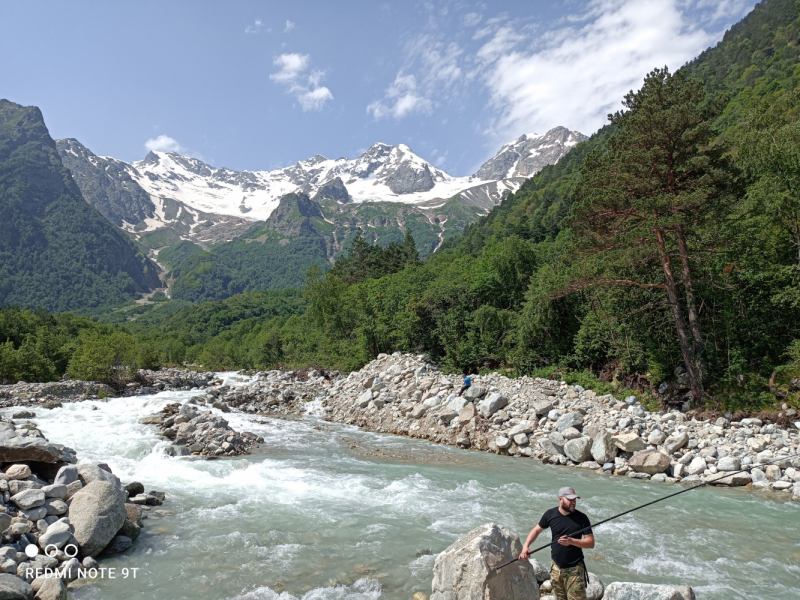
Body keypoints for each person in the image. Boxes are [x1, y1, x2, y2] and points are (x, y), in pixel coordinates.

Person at [519, 487, 594, 600]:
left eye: (575, 499)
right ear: (560, 499)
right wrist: (526, 546)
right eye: (570, 499)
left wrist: (571, 541)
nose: (573, 502)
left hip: (575, 570)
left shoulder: (582, 518)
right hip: (556, 568)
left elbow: (590, 543)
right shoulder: (550, 514)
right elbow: (536, 530)